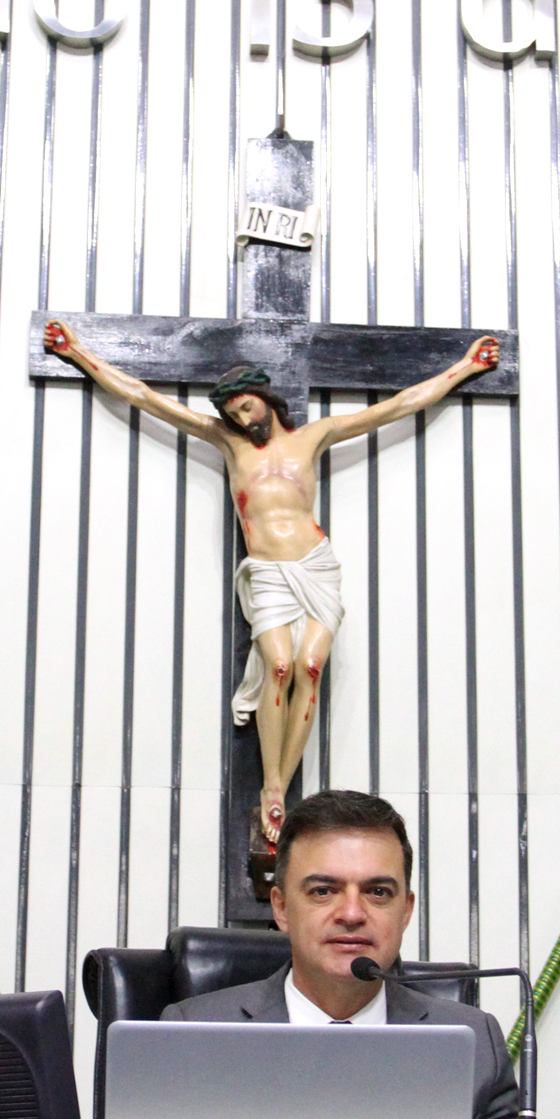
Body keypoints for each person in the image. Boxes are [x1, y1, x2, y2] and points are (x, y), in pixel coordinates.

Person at [43, 321, 499, 847]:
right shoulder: (228, 444)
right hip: (266, 571)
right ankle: (274, 787)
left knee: (310, 666)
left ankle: (280, 783)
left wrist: (466, 366)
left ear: (265, 398)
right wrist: (77, 351)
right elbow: (146, 398)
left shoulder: (314, 436)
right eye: (232, 411)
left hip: (314, 564)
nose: (241, 416)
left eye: (246, 405)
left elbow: (396, 407)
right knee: (278, 665)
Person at [160, 788, 542, 1119]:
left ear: (406, 911)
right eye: (324, 891)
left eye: (378, 892)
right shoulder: (192, 1035)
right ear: (282, 908)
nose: (353, 913)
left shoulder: (473, 1042)